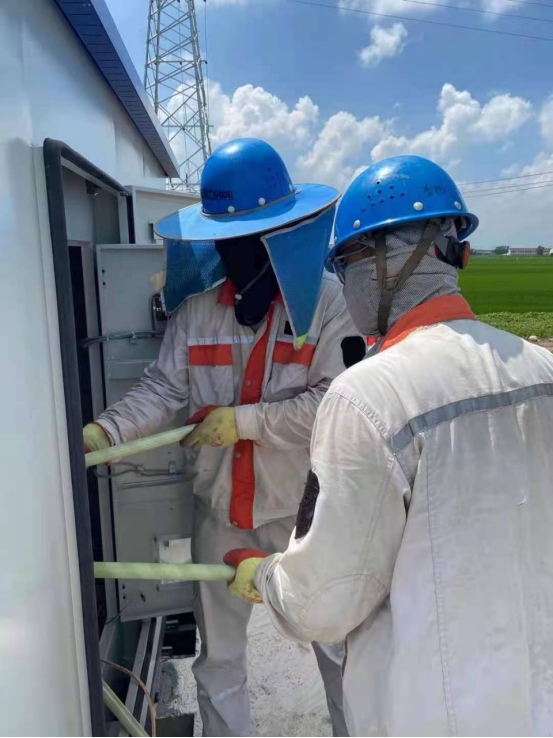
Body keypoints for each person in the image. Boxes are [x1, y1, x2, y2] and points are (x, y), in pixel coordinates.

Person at [224, 155, 553, 736]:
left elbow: (325, 602)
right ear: (457, 255)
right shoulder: (541, 369)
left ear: (375, 268)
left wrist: (268, 578)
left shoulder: (368, 396)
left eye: (344, 266)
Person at [84, 138, 364, 737]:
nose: (237, 251)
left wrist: (243, 422)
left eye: (250, 237)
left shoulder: (328, 306)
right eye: (226, 238)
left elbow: (336, 406)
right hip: (220, 515)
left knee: (337, 646)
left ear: (283, 234)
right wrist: (103, 432)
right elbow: (162, 390)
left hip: (304, 514)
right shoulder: (198, 312)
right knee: (219, 663)